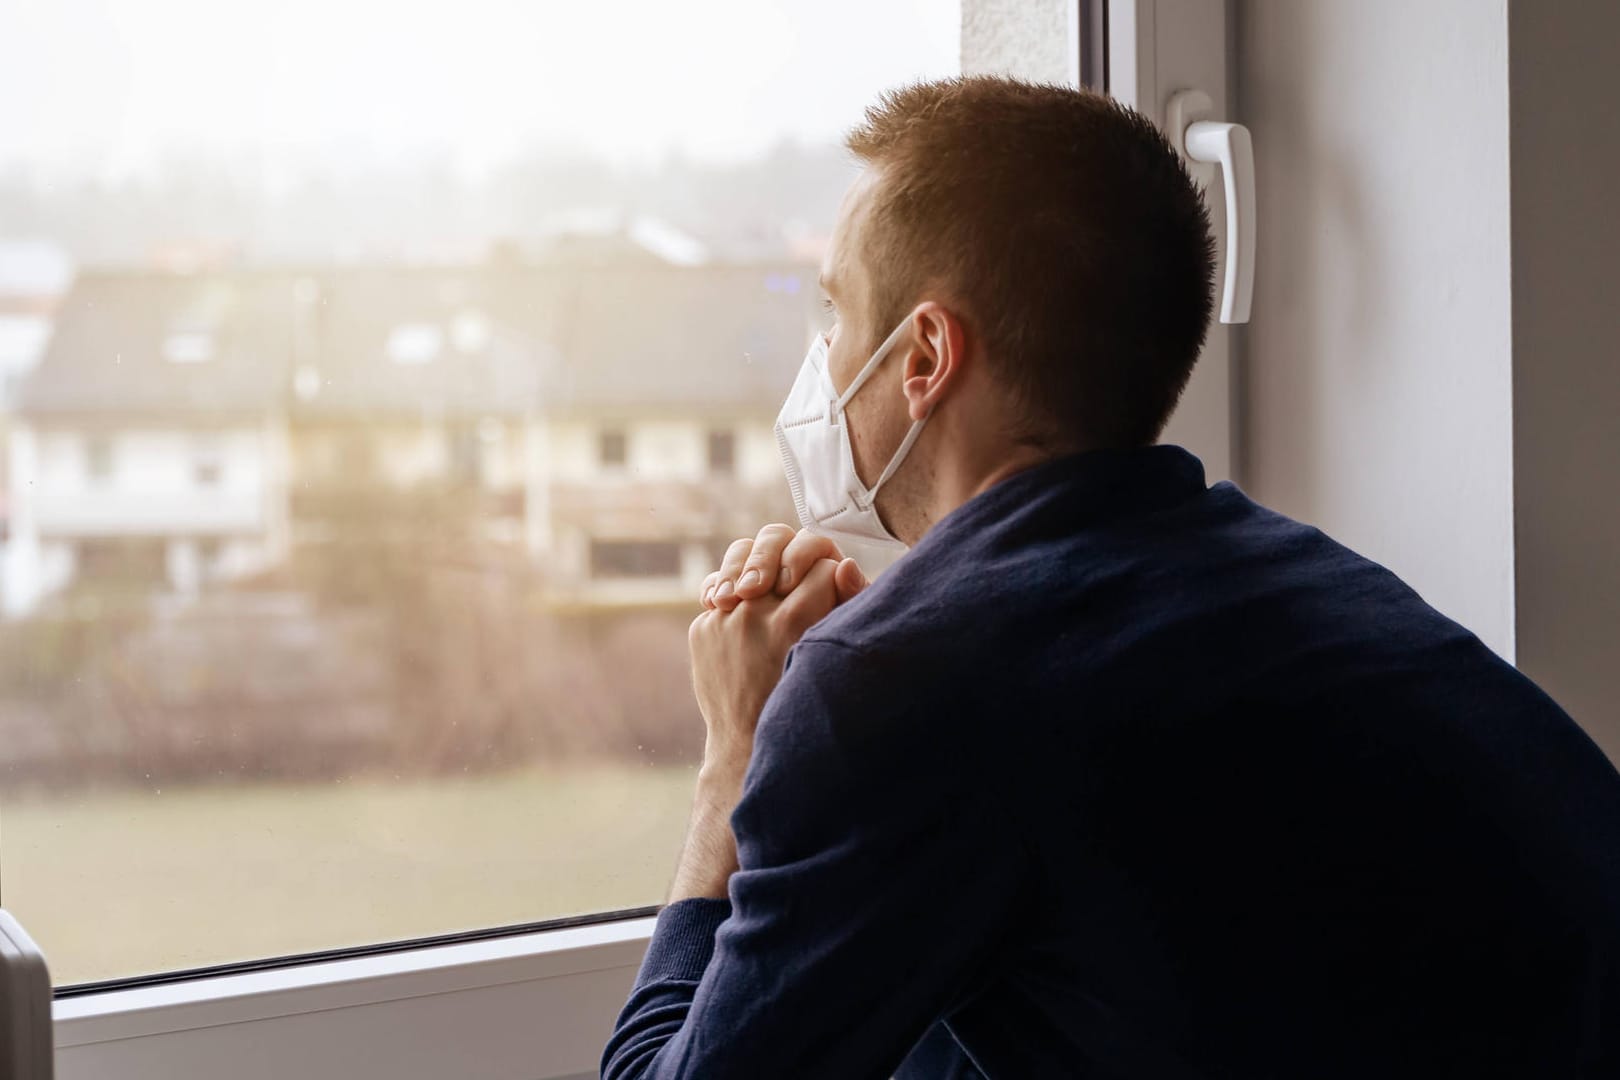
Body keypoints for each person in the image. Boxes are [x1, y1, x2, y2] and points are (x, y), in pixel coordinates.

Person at [600, 76, 1620, 1079]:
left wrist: (736, 763)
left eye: (837, 315)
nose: (822, 359)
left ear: (924, 359)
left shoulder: (912, 686)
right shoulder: (1308, 593)